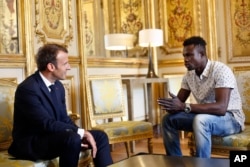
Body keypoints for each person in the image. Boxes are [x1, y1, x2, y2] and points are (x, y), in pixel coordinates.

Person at [8, 44, 113, 167]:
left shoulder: (58, 86)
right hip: (32, 143)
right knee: (72, 138)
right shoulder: (28, 88)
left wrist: (81, 133)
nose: (69, 67)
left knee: (100, 136)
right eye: (65, 64)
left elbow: (64, 118)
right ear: (51, 67)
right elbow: (45, 123)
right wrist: (80, 132)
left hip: (54, 137)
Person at [158, 36, 245, 158]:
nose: (186, 60)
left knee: (201, 120)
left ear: (202, 54)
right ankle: (175, 162)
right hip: (204, 117)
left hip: (231, 119)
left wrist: (183, 106)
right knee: (168, 119)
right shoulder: (189, 75)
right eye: (184, 56)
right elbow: (179, 103)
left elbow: (221, 108)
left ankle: (202, 164)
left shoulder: (221, 70)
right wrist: (172, 106)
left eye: (189, 55)